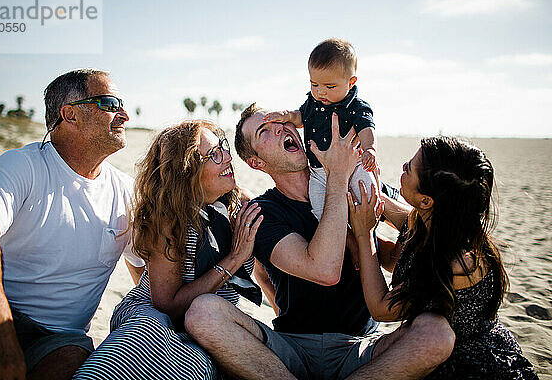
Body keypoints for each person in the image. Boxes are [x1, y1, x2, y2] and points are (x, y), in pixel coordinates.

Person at [184, 104, 456, 380]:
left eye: (280, 120)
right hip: (293, 349)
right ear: (256, 162)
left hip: (362, 349)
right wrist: (337, 178)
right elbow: (324, 271)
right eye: (264, 131)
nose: (280, 127)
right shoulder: (264, 211)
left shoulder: (354, 179)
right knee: (203, 313)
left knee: (436, 333)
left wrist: (371, 198)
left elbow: (416, 239)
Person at [0, 69, 146, 380]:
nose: (124, 115)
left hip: (59, 342)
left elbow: (144, 272)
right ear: (70, 115)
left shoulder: (127, 193)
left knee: (74, 359)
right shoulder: (23, 165)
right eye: (110, 104)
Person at [74, 120, 264, 380]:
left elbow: (267, 270)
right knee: (149, 341)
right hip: (157, 318)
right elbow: (167, 306)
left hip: (213, 324)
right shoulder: (168, 219)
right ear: (187, 172)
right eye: (214, 155)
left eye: (223, 147)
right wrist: (233, 260)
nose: (228, 158)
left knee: (203, 361)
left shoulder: (241, 204)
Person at [347, 136, 538, 379]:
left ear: (426, 200)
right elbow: (381, 211)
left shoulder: (459, 262)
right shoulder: (436, 222)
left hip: (465, 365)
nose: (403, 166)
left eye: (409, 168)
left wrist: (364, 235)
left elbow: (381, 309)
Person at [263, 38, 378, 219]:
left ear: (351, 82)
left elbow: (366, 127)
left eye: (329, 86)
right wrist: (288, 116)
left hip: (354, 165)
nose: (320, 92)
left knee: (368, 197)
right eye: (314, 84)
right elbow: (301, 117)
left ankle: (366, 227)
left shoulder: (355, 106)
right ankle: (342, 234)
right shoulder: (312, 102)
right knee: (319, 208)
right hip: (319, 170)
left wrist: (369, 148)